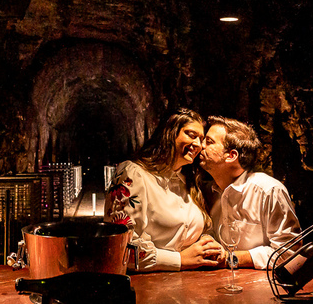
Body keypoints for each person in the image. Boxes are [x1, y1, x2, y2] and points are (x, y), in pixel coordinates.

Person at [106, 108, 224, 271]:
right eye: (191, 135)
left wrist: (207, 242)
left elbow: (195, 229)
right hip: (147, 285)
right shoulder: (133, 173)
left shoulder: (188, 181)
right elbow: (120, 247)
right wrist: (179, 260)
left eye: (201, 139)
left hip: (192, 283)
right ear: (170, 133)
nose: (198, 144)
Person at [198, 115, 302, 270]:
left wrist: (232, 258)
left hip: (261, 288)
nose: (200, 146)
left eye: (209, 142)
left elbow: (289, 253)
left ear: (231, 156)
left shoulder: (268, 190)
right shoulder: (208, 190)